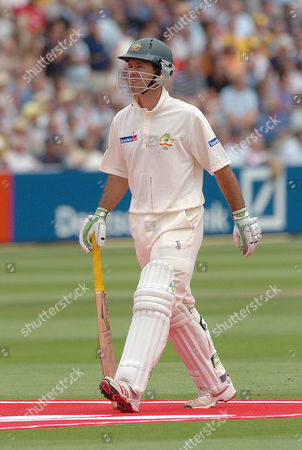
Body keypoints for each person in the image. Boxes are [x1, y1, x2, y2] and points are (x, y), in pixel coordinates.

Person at [79, 38, 262, 412]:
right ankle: (217, 385)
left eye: (140, 66)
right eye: (128, 66)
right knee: (173, 305)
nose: (130, 72)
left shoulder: (187, 116)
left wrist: (241, 216)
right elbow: (118, 174)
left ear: (161, 73)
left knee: (153, 291)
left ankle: (128, 384)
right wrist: (100, 214)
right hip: (140, 225)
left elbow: (221, 168)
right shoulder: (122, 120)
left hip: (181, 221)